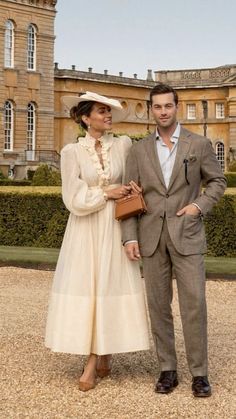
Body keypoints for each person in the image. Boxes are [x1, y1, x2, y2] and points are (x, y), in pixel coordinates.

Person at [121, 83, 226, 397]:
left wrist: (198, 206)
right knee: (158, 307)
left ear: (176, 107)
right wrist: (129, 237)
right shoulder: (138, 150)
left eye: (168, 106)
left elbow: (217, 182)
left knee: (194, 305)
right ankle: (167, 370)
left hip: (188, 236)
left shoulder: (199, 144)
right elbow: (129, 195)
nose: (163, 111)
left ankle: (199, 374)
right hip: (150, 237)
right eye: (157, 106)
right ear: (151, 109)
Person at [45, 91, 149, 392]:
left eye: (108, 111)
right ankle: (95, 356)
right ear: (85, 118)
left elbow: (134, 179)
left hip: (115, 226)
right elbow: (73, 198)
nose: (107, 116)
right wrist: (106, 193)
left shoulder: (125, 145)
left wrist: (128, 188)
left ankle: (101, 354)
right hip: (85, 229)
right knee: (88, 289)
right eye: (101, 112)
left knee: (110, 286)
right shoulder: (71, 153)